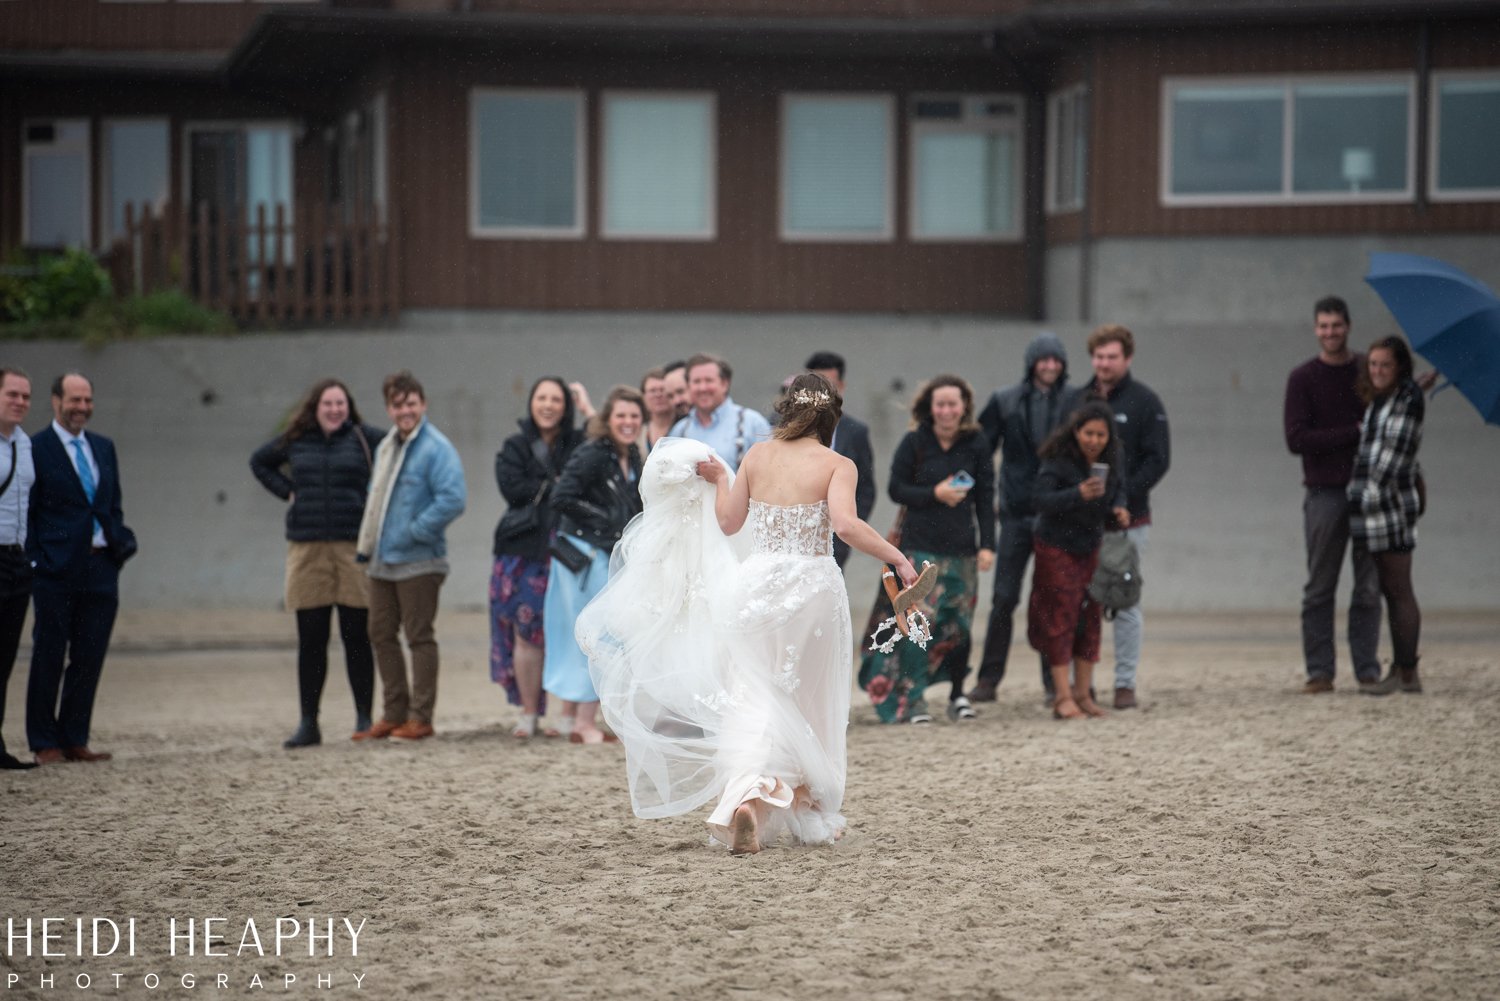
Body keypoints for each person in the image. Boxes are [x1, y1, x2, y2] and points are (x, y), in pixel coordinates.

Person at [576, 373, 918, 854]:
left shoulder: (756, 456)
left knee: (754, 696)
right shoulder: (838, 464)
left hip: (754, 586)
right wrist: (896, 557)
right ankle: (795, 802)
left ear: (786, 410)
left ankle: (747, 801)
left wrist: (719, 478)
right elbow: (844, 526)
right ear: (830, 416)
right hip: (812, 588)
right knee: (805, 701)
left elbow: (729, 522)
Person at [250, 378, 385, 748]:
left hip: (351, 548)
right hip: (307, 549)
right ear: (315, 407)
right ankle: (309, 722)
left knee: (357, 636)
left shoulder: (363, 438)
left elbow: (395, 451)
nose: (334, 410)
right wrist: (286, 491)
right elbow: (259, 462)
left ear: (349, 407)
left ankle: (363, 718)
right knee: (312, 639)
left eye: (341, 403)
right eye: (328, 404)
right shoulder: (296, 439)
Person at [858, 375, 995, 725]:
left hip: (963, 550)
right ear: (929, 407)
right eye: (940, 404)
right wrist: (935, 494)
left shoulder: (977, 443)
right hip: (920, 549)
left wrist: (987, 546)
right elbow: (895, 489)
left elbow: (985, 498)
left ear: (964, 406)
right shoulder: (915, 442)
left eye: (953, 403)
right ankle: (914, 699)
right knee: (918, 626)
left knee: (959, 626)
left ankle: (957, 694)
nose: (947, 410)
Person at [26, 372, 137, 764]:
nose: (82, 408)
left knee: (89, 656)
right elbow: (30, 510)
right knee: (49, 653)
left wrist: (118, 542)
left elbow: (112, 503)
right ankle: (43, 741)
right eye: (75, 400)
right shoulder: (35, 447)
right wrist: (37, 558)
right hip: (56, 569)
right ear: (56, 401)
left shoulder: (103, 448)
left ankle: (75, 737)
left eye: (87, 401)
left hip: (101, 566)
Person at [355, 371, 466, 742]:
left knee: (419, 635)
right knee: (380, 633)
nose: (405, 411)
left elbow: (453, 499)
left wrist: (415, 531)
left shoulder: (436, 447)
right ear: (389, 408)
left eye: (411, 403)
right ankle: (393, 713)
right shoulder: (389, 446)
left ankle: (421, 717)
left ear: (423, 403)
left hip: (420, 561)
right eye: (398, 404)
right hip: (382, 560)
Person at [971, 332, 1079, 703]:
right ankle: (988, 680)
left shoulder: (1076, 401)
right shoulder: (1005, 400)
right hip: (1016, 515)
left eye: (1056, 359)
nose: (1049, 366)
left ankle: (1054, 682)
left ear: (1063, 364)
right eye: (1043, 359)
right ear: (1031, 363)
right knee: (1003, 598)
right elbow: (980, 448)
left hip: (1058, 516)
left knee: (1052, 600)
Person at [1283, 297, 1382, 694]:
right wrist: (1352, 433)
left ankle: (1367, 669)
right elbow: (1296, 439)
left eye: (1336, 325)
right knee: (1320, 585)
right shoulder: (1303, 378)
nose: (1330, 333)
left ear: (1348, 326)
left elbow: (1386, 416)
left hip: (1369, 490)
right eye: (1323, 326)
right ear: (1314, 329)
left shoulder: (1367, 372)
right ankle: (1320, 671)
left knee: (1369, 585)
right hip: (1324, 492)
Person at [543, 386, 645, 744]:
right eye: (621, 416)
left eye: (634, 416)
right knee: (597, 634)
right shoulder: (592, 453)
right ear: (608, 419)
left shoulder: (632, 455)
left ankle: (571, 718)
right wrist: (605, 521)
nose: (628, 422)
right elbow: (561, 497)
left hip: (604, 552)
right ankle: (585, 720)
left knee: (590, 633)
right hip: (583, 556)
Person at [1081, 324, 1169, 710]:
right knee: (1082, 603)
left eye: (1111, 357)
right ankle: (1082, 685)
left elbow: (1159, 460)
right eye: (1098, 356)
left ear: (1127, 358)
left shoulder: (1145, 402)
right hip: (1080, 520)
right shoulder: (1078, 398)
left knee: (1126, 601)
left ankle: (1124, 684)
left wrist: (1121, 495)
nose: (1104, 363)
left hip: (1128, 522)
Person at [490, 376, 584, 739]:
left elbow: (587, 473)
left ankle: (567, 716)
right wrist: (557, 486)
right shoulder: (514, 445)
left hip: (568, 549)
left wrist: (543, 488)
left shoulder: (578, 443)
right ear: (531, 402)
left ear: (566, 407)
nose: (548, 405)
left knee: (574, 631)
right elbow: (510, 487)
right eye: (541, 397)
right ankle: (529, 714)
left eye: (556, 399)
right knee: (525, 635)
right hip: (522, 553)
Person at [1027, 401, 1130, 720]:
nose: (1094, 440)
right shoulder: (1058, 461)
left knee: (1091, 618)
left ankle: (1084, 694)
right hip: (1056, 548)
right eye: (1089, 433)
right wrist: (1077, 494)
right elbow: (1039, 500)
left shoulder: (1112, 460)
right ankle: (1061, 696)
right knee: (1061, 618)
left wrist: (1118, 511)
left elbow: (1118, 493)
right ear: (1076, 432)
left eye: (1101, 435)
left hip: (1091, 547)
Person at [1348, 336, 1425, 696]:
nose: (1377, 371)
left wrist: (1361, 497)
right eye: (1373, 364)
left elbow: (1392, 460)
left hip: (1388, 510)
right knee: (1390, 590)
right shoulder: (1387, 400)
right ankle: (1401, 666)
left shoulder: (1407, 401)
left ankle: (1407, 671)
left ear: (1399, 368)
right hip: (1376, 511)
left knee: (1399, 589)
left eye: (1385, 365)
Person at [805, 351, 875, 568]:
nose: (823, 394)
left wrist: (848, 529)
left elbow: (865, 488)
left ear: (841, 386)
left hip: (837, 536)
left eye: (830, 385)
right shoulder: (781, 426)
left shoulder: (856, 431)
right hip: (793, 535)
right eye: (817, 386)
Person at [0, 368, 36, 769]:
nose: (20, 402)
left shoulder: (25, 444)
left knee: (5, 657)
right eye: (12, 394)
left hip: (16, 557)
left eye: (26, 396)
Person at [668, 353, 771, 471]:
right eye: (696, 381)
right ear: (688, 386)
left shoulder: (753, 423)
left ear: (724, 384)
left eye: (709, 380)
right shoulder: (679, 431)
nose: (702, 388)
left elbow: (769, 473)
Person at [639, 367, 677, 451]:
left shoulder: (683, 427)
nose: (658, 395)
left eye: (662, 390)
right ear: (643, 396)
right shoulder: (637, 432)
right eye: (652, 391)